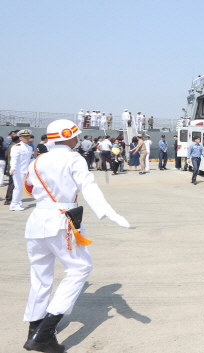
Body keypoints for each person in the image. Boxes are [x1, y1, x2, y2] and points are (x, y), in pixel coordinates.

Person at [21, 119, 130, 353]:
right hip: (62, 221)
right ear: (67, 136)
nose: (78, 139)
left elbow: (28, 187)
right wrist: (108, 212)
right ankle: (45, 332)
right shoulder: (73, 158)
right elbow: (88, 187)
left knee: (40, 278)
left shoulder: (37, 159)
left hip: (37, 221)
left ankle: (34, 330)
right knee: (80, 268)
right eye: (76, 135)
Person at [9, 130, 34, 211]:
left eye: (27, 136)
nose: (26, 138)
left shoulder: (29, 147)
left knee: (21, 188)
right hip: (17, 170)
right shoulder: (16, 147)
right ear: (20, 138)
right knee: (18, 188)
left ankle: (18, 202)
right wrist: (13, 167)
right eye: (24, 137)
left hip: (25, 171)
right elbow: (14, 158)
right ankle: (13, 204)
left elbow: (30, 159)